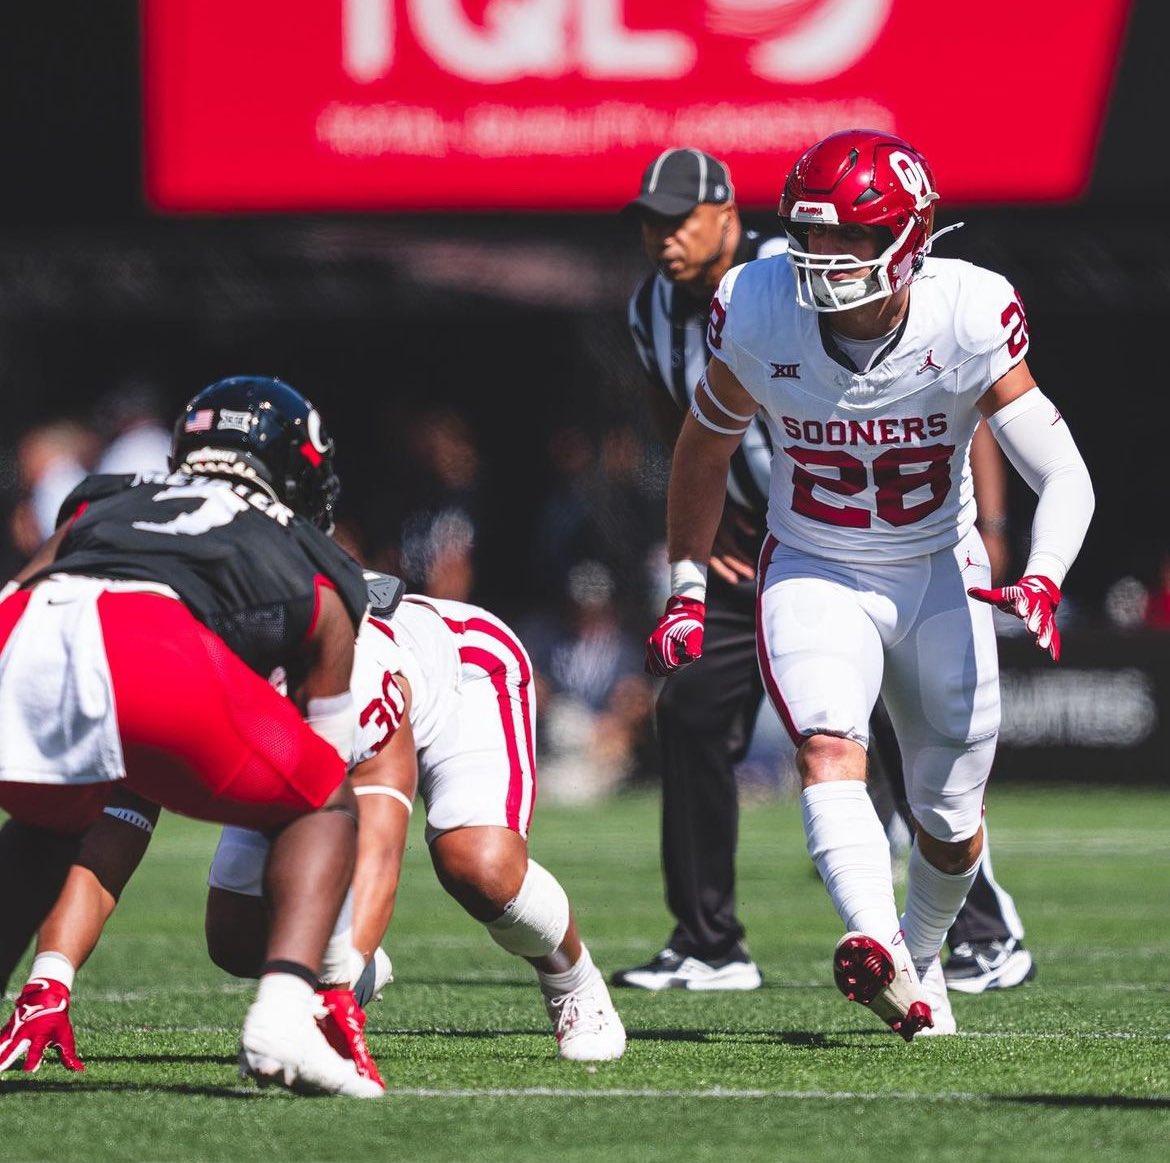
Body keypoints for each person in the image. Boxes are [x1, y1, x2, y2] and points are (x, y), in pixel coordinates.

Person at [644, 129, 1093, 1037]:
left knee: (950, 818)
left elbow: (1064, 468)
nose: (824, 259)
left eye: (850, 238)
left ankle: (916, 967)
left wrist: (1042, 572)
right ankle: (878, 943)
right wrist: (687, 580)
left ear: (909, 236)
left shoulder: (966, 309)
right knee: (826, 744)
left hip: (938, 566)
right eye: (811, 237)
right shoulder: (758, 303)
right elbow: (704, 444)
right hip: (814, 560)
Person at [0, 375, 384, 1095]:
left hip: (20, 629)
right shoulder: (316, 558)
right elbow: (323, 769)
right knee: (325, 801)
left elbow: (30, 585)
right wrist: (332, 971)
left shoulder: (109, 495)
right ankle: (282, 1013)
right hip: (150, 644)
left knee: (48, 822)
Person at [205, 584, 627, 1062]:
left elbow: (380, 850)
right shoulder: (203, 671)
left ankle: (574, 984)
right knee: (235, 937)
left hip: (464, 673)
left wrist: (329, 996)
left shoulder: (357, 675)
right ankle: (350, 968)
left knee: (479, 865)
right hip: (306, 713)